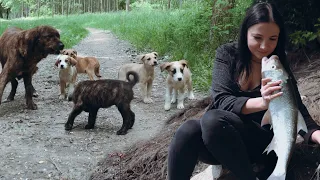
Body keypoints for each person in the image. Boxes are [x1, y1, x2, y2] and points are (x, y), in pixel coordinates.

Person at [167, 2, 320, 180]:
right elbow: (222, 100)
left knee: (212, 120)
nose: (264, 46)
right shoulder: (227, 54)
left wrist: (316, 134)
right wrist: (263, 102)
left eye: (272, 39)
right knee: (188, 130)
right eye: (257, 37)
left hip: (264, 144)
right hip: (222, 142)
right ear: (245, 32)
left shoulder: (277, 65)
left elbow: (294, 107)